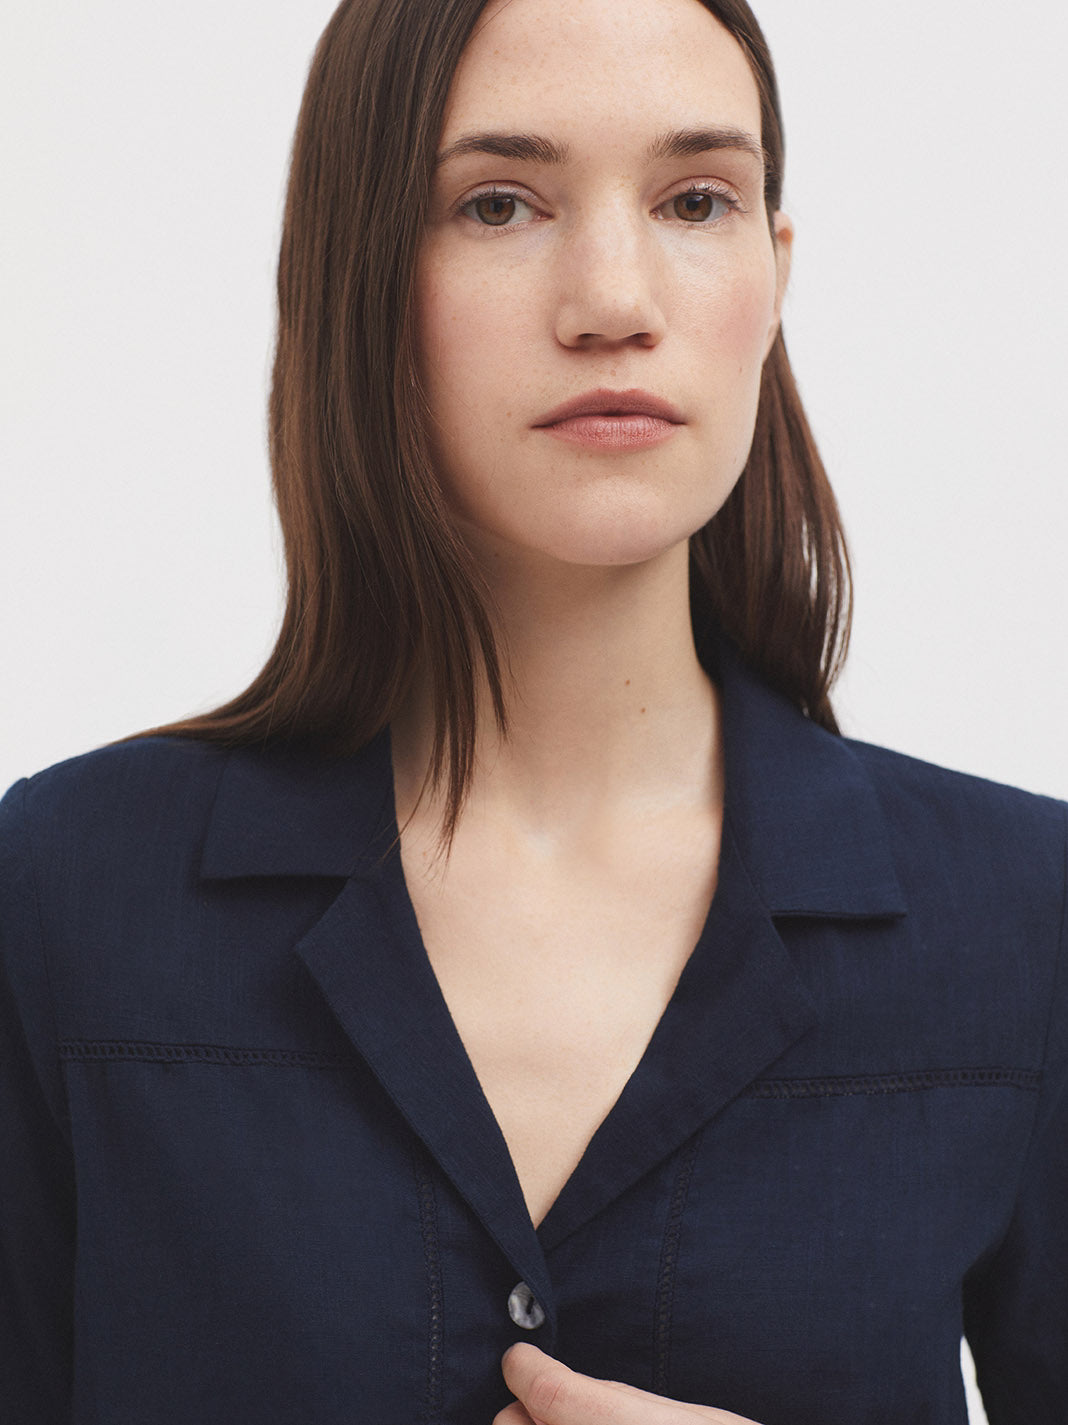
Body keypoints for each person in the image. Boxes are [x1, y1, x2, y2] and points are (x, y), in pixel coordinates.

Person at [1, 0, 1064, 1420]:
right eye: (498, 204)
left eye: (696, 200)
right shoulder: (68, 896)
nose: (614, 299)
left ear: (774, 272)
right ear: (363, 275)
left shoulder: (1024, 917)